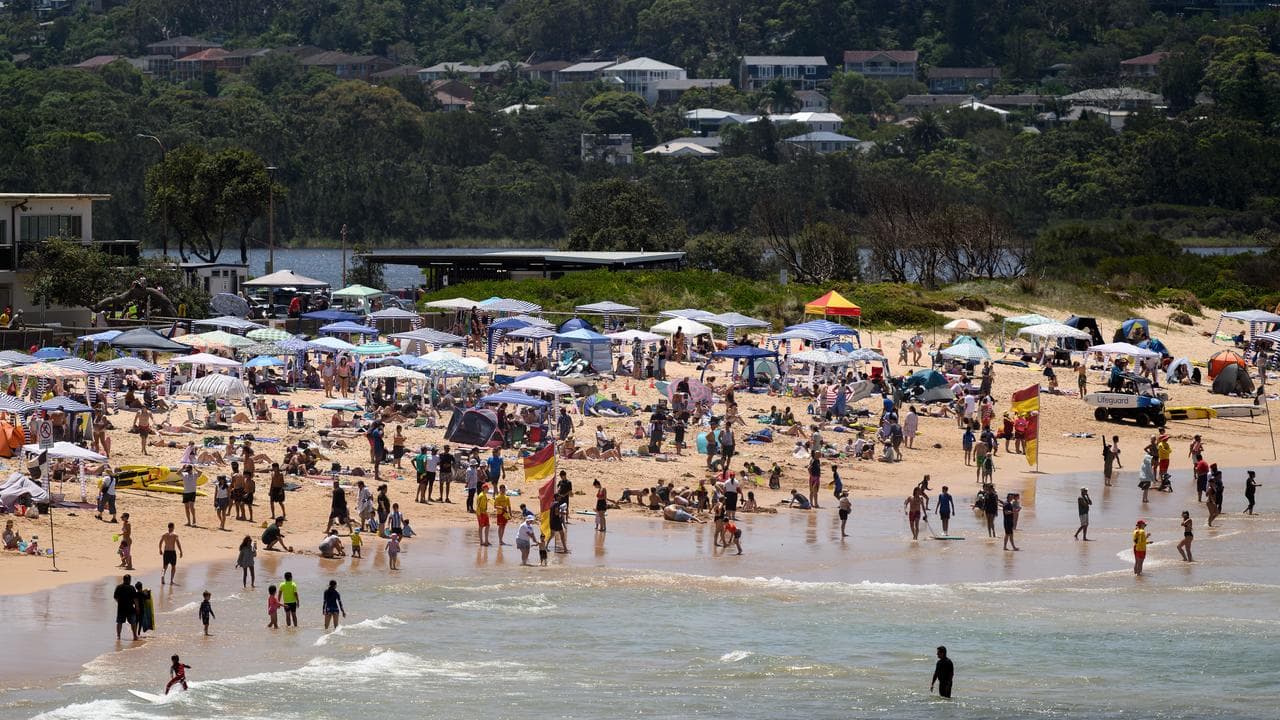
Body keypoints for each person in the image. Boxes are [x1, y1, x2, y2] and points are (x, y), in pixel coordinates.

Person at [114, 574, 138, 641]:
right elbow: (135, 599)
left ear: (123, 579)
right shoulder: (132, 588)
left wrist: (119, 602)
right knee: (133, 622)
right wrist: (137, 607)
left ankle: (118, 636)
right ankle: (135, 636)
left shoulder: (118, 587)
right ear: (129, 580)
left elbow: (115, 597)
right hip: (130, 608)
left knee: (119, 622)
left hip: (121, 608)